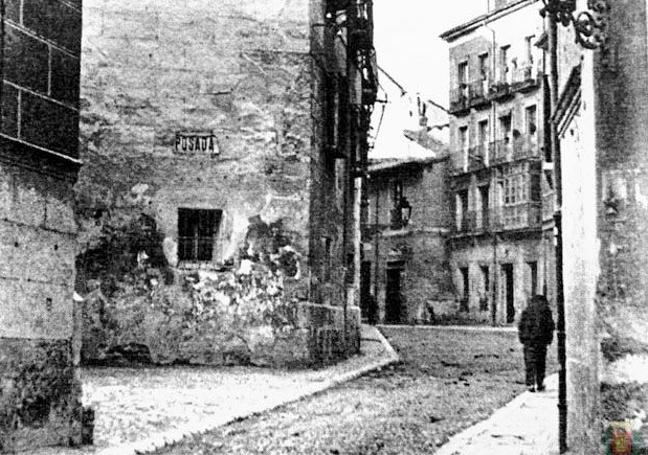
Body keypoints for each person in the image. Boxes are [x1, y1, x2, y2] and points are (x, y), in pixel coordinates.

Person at [518, 295, 555, 392]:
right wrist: (549, 339)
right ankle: (540, 382)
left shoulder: (527, 310)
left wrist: (522, 338)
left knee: (530, 362)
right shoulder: (546, 310)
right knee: (541, 362)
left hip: (529, 340)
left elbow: (521, 325)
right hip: (541, 340)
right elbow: (550, 326)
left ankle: (530, 383)